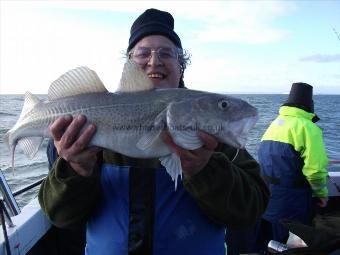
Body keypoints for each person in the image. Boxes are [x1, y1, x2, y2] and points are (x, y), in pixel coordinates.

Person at [39, 8, 269, 255]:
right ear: (129, 64)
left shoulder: (213, 137)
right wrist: (76, 170)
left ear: (181, 66)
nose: (154, 61)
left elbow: (251, 210)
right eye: (143, 53)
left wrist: (206, 170)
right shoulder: (74, 135)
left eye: (167, 53)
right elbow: (60, 217)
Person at [257, 82, 329, 245]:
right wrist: (321, 194)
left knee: (271, 243)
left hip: (267, 197)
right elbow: (315, 170)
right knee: (293, 243)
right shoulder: (308, 128)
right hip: (293, 201)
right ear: (309, 105)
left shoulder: (275, 123)